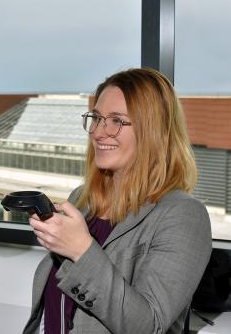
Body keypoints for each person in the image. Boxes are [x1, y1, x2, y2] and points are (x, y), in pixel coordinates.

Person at [23, 68, 212, 334]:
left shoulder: (183, 216)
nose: (99, 132)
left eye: (116, 121)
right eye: (97, 118)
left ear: (153, 130)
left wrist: (81, 250)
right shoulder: (83, 199)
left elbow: (150, 325)